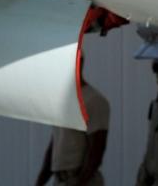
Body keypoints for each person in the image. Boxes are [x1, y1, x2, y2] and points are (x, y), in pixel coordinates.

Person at [36, 57, 110, 185]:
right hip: (60, 180)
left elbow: (96, 150)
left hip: (78, 179)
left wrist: (80, 182)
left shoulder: (93, 100)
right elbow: (55, 144)